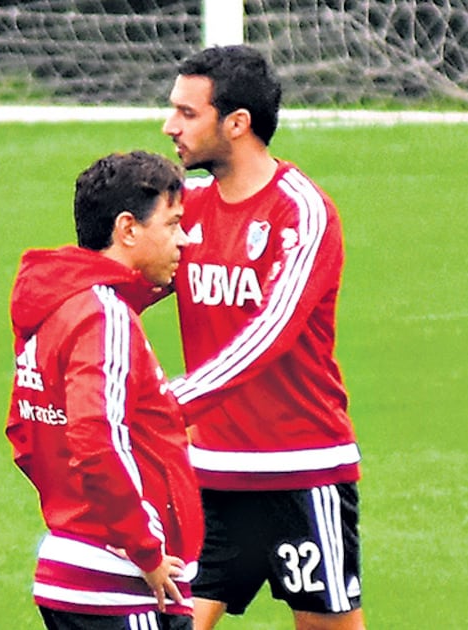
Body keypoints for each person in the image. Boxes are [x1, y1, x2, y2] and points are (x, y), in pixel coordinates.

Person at [161, 45, 364, 630]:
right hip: (210, 479)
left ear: (237, 123)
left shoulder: (301, 212)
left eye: (187, 112)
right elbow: (122, 289)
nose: (169, 125)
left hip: (300, 472)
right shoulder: (188, 211)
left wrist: (167, 404)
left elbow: (270, 332)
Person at [5, 151, 203, 630]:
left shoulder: (54, 306)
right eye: (173, 224)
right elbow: (96, 436)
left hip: (74, 571)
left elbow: (23, 434)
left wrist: (73, 509)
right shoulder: (103, 315)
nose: (184, 241)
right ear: (128, 229)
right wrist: (144, 547)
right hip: (122, 586)